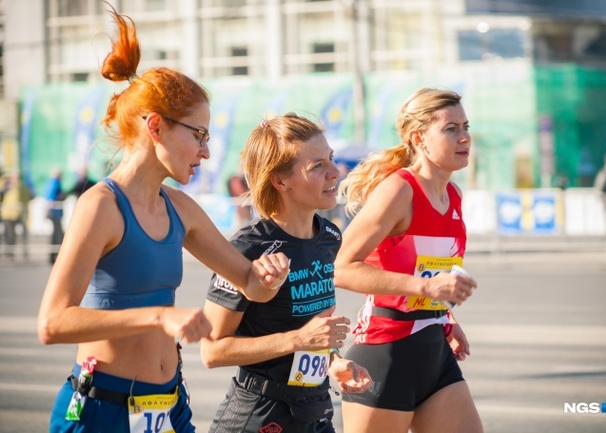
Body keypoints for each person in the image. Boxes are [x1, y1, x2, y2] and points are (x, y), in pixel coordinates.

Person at [37, 5, 289, 433]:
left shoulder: (181, 208)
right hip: (103, 409)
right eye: (198, 135)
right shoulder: (101, 205)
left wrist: (269, 277)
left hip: (168, 407)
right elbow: (53, 323)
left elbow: (249, 284)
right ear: (155, 126)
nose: (206, 152)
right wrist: (159, 316)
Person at [201, 113, 372, 433]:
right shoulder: (249, 248)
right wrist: (298, 340)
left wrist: (333, 362)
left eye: (331, 159)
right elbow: (212, 350)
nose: (335, 172)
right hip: (259, 416)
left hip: (315, 409)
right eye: (317, 166)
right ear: (280, 181)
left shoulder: (329, 238)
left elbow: (309, 331)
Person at [333, 88, 483, 433]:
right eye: (451, 129)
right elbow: (341, 268)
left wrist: (445, 315)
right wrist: (427, 287)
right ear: (419, 138)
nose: (464, 137)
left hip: (434, 349)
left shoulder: (453, 195)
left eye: (465, 126)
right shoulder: (399, 191)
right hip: (386, 354)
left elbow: (427, 269)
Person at [0, 171, 34, 258]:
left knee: (22, 235)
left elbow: (31, 197)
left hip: (20, 214)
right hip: (8, 214)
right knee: (10, 235)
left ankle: (23, 252)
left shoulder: (23, 188)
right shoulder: (6, 187)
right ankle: (10, 252)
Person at [43, 168, 65, 264]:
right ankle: (54, 256)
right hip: (55, 212)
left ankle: (53, 256)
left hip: (53, 212)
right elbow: (52, 197)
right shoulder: (55, 183)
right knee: (57, 234)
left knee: (56, 234)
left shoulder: (49, 182)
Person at [226, 164, 252, 229]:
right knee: (239, 223)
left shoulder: (247, 178)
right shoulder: (233, 179)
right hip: (239, 204)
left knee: (249, 221)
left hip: (247, 204)